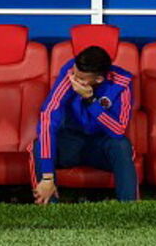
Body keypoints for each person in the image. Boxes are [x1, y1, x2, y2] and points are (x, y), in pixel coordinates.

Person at [31, 46, 137, 204]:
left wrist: (90, 101)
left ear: (99, 79)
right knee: (39, 145)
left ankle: (129, 208)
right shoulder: (71, 73)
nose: (74, 79)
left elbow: (118, 130)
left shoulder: (121, 83)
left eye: (80, 79)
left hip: (100, 147)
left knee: (121, 145)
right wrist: (47, 177)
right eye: (74, 73)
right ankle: (49, 207)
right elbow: (48, 115)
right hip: (71, 143)